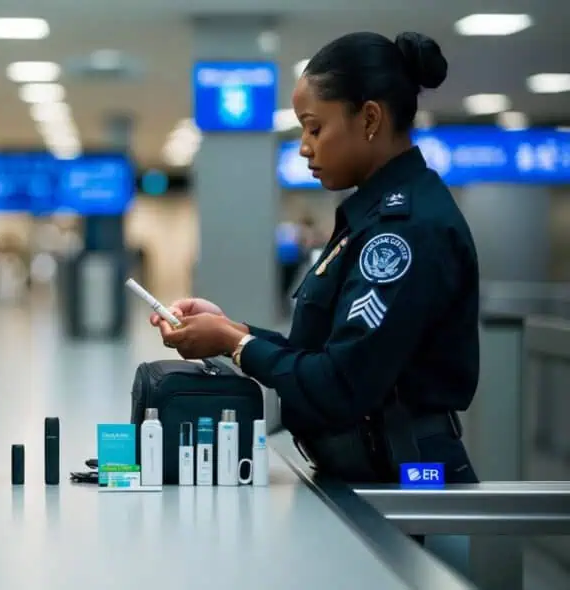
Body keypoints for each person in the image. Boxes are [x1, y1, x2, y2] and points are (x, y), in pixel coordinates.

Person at [153, 31, 480, 486]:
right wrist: (235, 331)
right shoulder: (371, 216)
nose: (305, 146)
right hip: (370, 473)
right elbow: (325, 352)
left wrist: (235, 345)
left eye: (314, 127)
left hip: (409, 485)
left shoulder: (404, 230)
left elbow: (341, 384)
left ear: (369, 118)